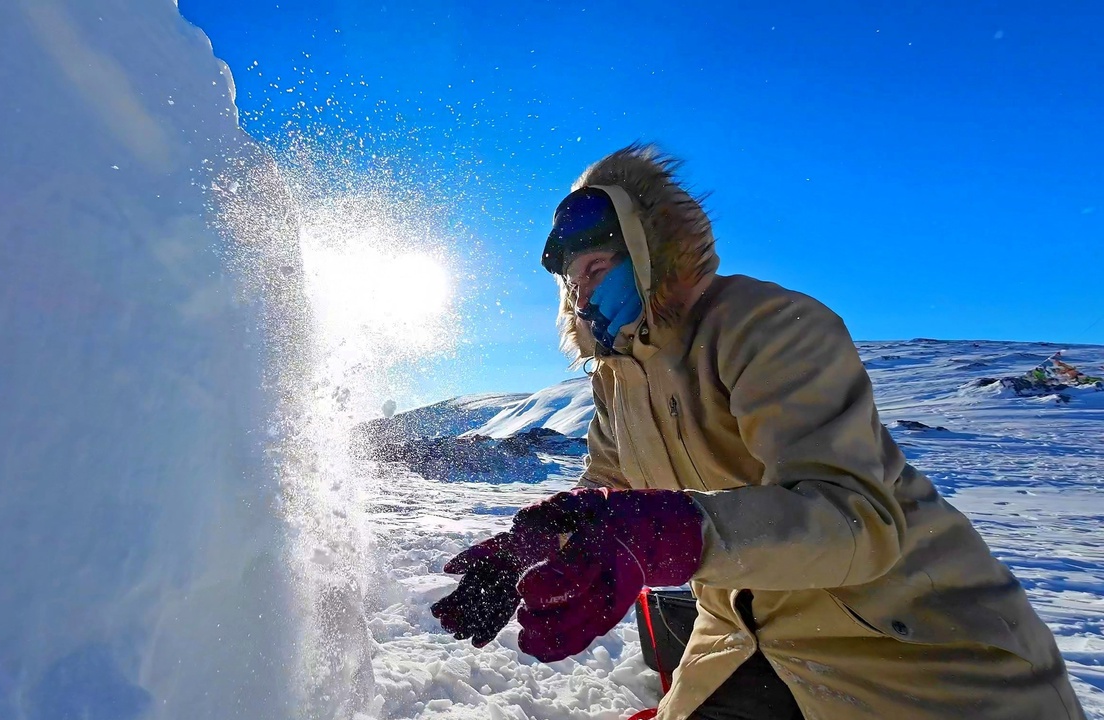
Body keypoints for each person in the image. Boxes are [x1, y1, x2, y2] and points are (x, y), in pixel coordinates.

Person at [431, 144, 1086, 720]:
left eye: (597, 272)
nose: (582, 299)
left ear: (647, 249)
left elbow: (856, 521)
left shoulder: (766, 327)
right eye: (572, 288)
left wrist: (670, 534)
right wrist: (524, 552)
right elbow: (607, 494)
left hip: (914, 654)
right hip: (744, 638)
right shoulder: (618, 384)